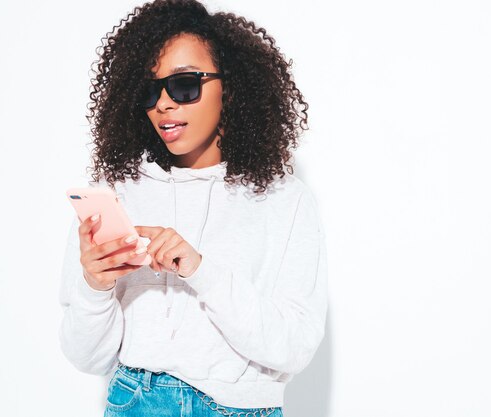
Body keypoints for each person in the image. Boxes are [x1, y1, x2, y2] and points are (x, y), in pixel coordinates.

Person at [58, 0, 328, 415]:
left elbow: (293, 348)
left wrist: (200, 271)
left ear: (231, 87)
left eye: (184, 85)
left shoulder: (283, 200)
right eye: (151, 90)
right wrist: (96, 286)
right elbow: (87, 359)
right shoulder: (119, 194)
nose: (164, 104)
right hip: (136, 402)